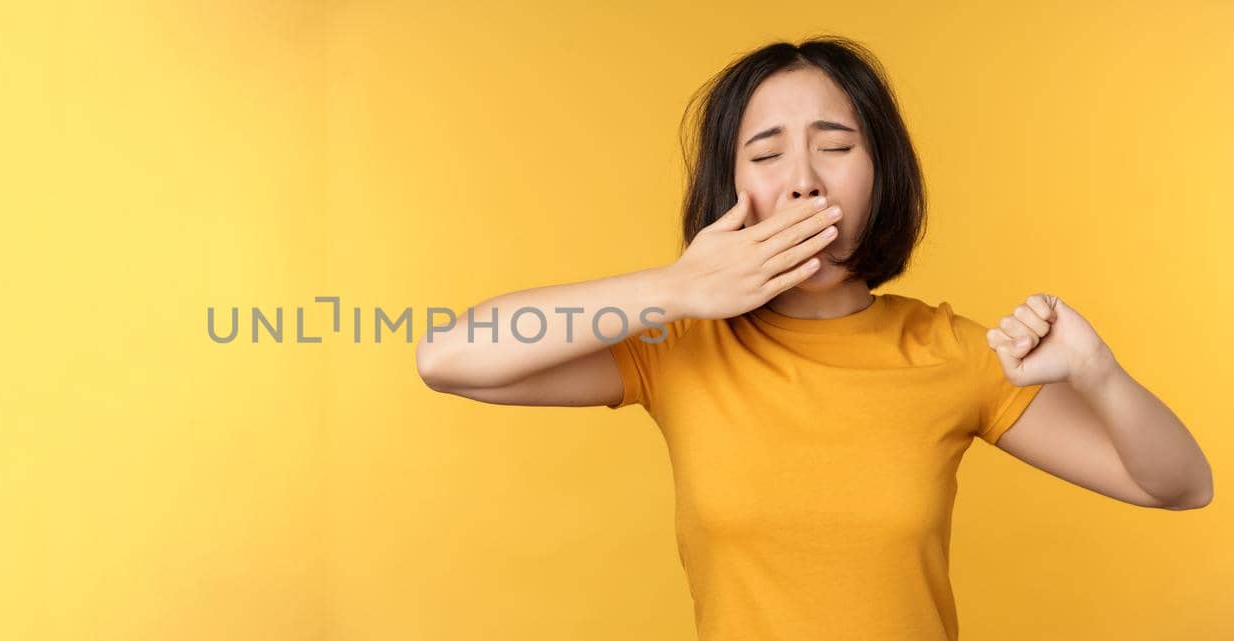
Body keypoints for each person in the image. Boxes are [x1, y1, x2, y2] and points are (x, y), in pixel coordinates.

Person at [413, 35, 1213, 641]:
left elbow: (1181, 484)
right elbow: (448, 356)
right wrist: (679, 287)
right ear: (733, 187)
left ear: (881, 174)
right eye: (767, 152)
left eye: (836, 147)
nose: (804, 180)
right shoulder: (679, 345)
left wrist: (1100, 374)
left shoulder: (953, 352)